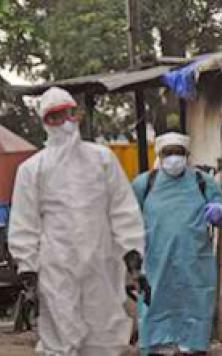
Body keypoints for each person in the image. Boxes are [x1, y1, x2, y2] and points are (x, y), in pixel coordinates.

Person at [8, 86, 148, 356]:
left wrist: (132, 253)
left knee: (105, 337)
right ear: (45, 123)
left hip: (101, 264)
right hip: (57, 269)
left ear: (77, 115)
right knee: (61, 338)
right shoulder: (32, 169)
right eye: (54, 117)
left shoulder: (102, 159)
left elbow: (122, 209)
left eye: (67, 114)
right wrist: (28, 270)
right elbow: (24, 223)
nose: (63, 123)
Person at [132, 132, 222, 356]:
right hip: (156, 265)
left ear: (187, 155)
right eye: (169, 153)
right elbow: (125, 217)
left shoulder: (202, 182)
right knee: (156, 321)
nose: (174, 158)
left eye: (179, 153)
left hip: (194, 266)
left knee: (194, 319)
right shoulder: (144, 184)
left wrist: (220, 211)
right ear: (160, 155)